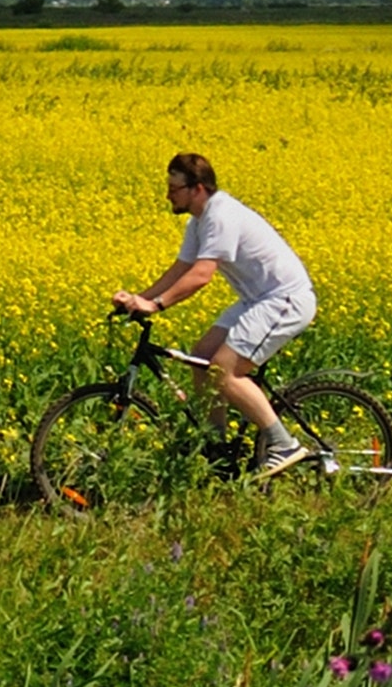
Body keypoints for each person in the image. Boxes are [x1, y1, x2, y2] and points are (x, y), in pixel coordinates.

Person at [111, 152, 317, 476]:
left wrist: (157, 305)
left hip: (284, 299)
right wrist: (140, 297)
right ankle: (218, 453)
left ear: (197, 189)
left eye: (174, 188)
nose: (168, 194)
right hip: (257, 299)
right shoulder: (198, 220)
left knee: (224, 372)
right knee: (201, 357)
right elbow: (181, 269)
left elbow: (202, 275)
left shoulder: (220, 215)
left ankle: (283, 444)